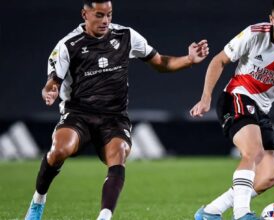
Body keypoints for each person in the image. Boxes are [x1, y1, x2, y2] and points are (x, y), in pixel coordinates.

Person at [24, 0, 209, 219]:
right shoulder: (68, 45)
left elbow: (160, 62)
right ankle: (38, 201)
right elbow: (53, 80)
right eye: (99, 15)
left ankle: (104, 216)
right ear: (85, 14)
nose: (106, 21)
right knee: (59, 150)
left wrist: (188, 59)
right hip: (78, 114)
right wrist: (51, 90)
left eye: (109, 15)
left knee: (118, 155)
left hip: (114, 117)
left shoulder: (126, 36)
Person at [190, 0, 274, 219]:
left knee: (272, 176)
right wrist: (205, 97)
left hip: (260, 111)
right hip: (235, 97)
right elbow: (219, 60)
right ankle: (242, 213)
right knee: (252, 152)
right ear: (272, 20)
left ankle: (210, 211)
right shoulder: (254, 34)